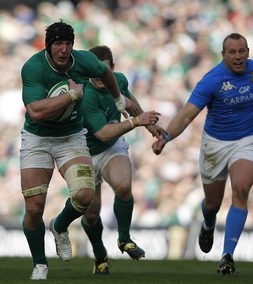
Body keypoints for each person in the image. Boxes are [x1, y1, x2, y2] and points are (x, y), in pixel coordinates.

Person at [20, 20, 137, 280]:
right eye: (58, 44)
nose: (63, 49)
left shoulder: (83, 61)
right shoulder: (33, 67)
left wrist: (118, 98)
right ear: (48, 46)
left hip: (71, 136)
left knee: (85, 197)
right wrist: (72, 96)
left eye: (67, 44)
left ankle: (59, 226)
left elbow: (107, 73)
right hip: (37, 138)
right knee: (34, 206)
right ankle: (40, 264)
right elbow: (36, 112)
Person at [152, 33, 253, 275]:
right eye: (232, 52)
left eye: (242, 51)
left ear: (248, 51)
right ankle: (208, 223)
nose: (238, 56)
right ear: (223, 55)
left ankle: (227, 256)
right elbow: (188, 114)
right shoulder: (212, 80)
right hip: (214, 145)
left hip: (246, 141)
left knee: (241, 190)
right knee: (213, 203)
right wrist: (166, 136)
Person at [81, 45, 163, 274]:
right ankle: (99, 255)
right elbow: (102, 133)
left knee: (124, 185)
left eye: (103, 70)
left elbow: (130, 100)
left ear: (112, 69)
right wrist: (138, 122)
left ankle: (124, 238)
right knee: (91, 212)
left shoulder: (119, 80)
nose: (98, 76)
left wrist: (150, 125)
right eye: (94, 71)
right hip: (83, 153)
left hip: (110, 147)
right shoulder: (86, 94)